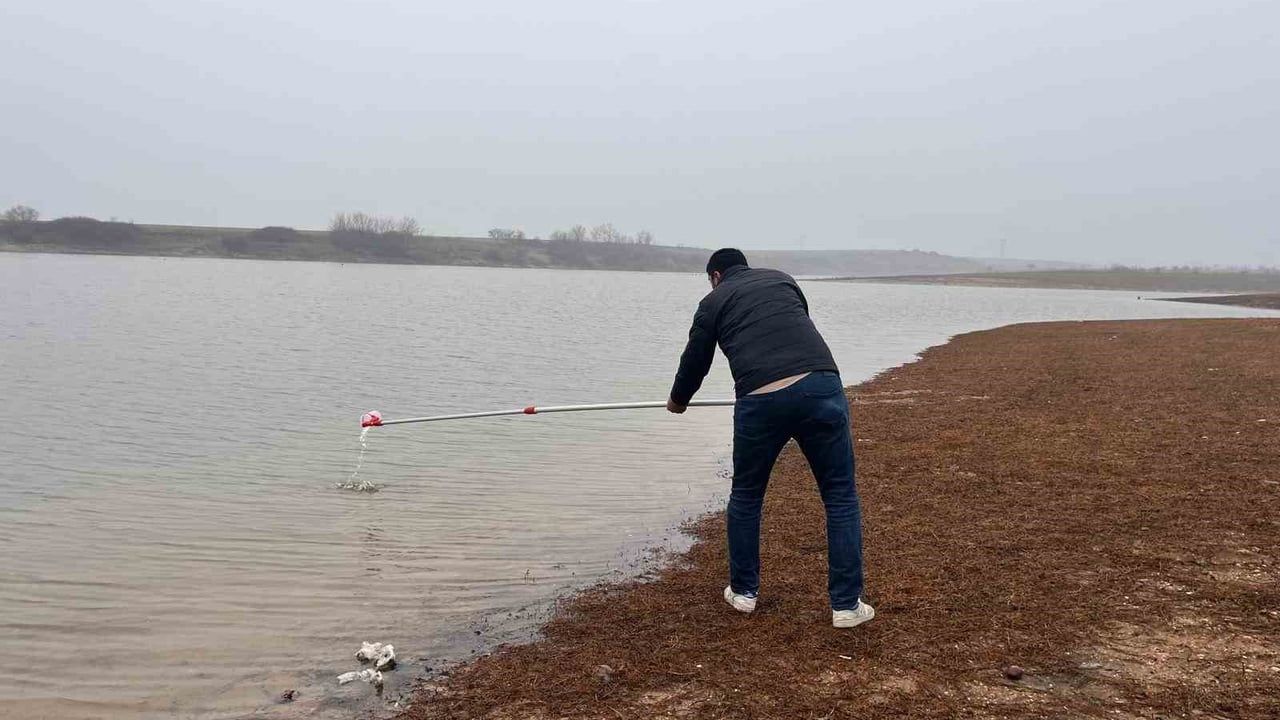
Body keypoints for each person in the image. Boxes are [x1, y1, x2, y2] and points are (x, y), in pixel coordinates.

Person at [667, 248, 873, 628]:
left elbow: (696, 359)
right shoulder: (782, 279)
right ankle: (846, 606)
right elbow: (795, 323)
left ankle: (744, 593)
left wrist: (678, 401)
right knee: (840, 496)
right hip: (821, 386)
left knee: (746, 496)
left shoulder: (712, 302)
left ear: (715, 276)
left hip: (760, 398)